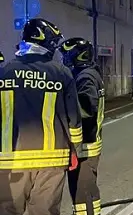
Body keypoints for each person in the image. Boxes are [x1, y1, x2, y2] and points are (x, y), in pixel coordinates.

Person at [0, 18, 83, 215]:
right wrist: (75, 150)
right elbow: (74, 119)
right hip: (51, 159)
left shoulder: (4, 71)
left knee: (7, 210)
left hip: (9, 159)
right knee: (44, 212)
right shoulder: (61, 73)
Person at [59, 38, 104, 215]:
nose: (64, 59)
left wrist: (63, 106)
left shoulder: (85, 78)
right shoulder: (89, 74)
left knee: (82, 193)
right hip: (90, 143)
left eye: (67, 55)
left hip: (85, 145)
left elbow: (86, 108)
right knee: (88, 191)